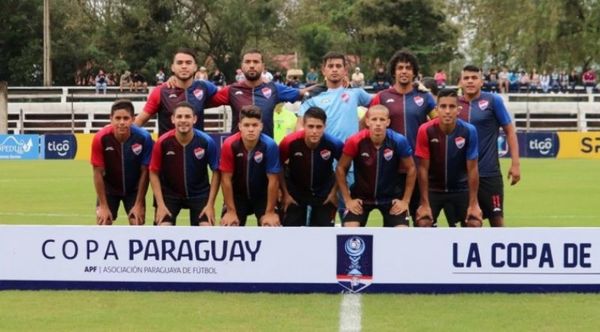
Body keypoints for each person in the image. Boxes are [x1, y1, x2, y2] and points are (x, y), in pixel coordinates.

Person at [370, 49, 436, 223]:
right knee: (395, 223)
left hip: (419, 167)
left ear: (414, 72)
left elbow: (441, 124)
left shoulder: (424, 97)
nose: (404, 71)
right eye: (400, 68)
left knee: (424, 221)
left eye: (408, 67)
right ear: (394, 72)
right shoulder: (382, 97)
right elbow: (366, 125)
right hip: (390, 170)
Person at [458, 65, 520, 227]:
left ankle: (500, 252)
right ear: (460, 82)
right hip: (461, 176)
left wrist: (515, 164)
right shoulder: (454, 104)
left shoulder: (493, 101)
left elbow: (510, 131)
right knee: (469, 222)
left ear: (481, 82)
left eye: (474, 78)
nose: (470, 81)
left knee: (497, 220)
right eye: (466, 78)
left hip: (489, 173)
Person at [336, 105, 416, 227]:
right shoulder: (355, 141)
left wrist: (405, 201)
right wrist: (348, 199)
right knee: (350, 230)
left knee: (402, 232)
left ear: (388, 122)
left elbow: (411, 168)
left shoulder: (399, 140)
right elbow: (341, 168)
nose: (378, 123)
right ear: (367, 121)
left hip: (391, 198)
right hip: (361, 197)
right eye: (374, 119)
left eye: (382, 120)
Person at [414, 89, 482, 227]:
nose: (447, 111)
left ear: (458, 109)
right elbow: (422, 169)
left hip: (461, 189)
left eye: (452, 107)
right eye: (443, 106)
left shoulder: (469, 131)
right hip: (433, 189)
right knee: (423, 222)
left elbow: (473, 169)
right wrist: (424, 203)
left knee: (474, 223)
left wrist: (474, 203)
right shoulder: (425, 130)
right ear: (436, 109)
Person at [210, 49, 310, 138]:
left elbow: (303, 93)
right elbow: (203, 100)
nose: (252, 65)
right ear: (242, 66)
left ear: (263, 66)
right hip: (238, 151)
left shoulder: (274, 88)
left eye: (256, 62)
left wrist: (323, 86)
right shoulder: (231, 90)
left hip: (266, 151)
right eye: (248, 62)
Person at [149, 102, 221, 226]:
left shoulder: (206, 141)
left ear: (194, 119)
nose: (183, 120)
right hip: (169, 195)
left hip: (199, 194)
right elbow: (153, 172)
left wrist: (210, 204)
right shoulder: (162, 142)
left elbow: (216, 171)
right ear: (173, 119)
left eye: (187, 117)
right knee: (163, 229)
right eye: (179, 116)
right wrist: (160, 205)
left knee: (206, 228)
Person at [91, 99, 153, 225]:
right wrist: (103, 205)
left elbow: (145, 172)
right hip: (109, 189)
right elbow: (97, 173)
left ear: (133, 119)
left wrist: (139, 203)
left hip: (134, 190)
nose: (121, 122)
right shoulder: (100, 138)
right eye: (117, 118)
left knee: (137, 221)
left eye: (126, 118)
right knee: (104, 221)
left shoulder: (144, 138)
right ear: (111, 119)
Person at [278, 107, 344, 227]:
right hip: (294, 192)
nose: (314, 131)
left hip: (324, 193)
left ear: (325, 126)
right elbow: (279, 167)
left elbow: (343, 166)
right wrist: (285, 193)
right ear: (304, 125)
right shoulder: (289, 142)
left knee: (323, 233)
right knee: (290, 233)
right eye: (310, 126)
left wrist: (334, 192)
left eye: (318, 127)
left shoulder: (334, 144)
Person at [219, 105, 281, 226]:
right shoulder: (229, 144)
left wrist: (270, 212)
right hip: (237, 196)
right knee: (229, 226)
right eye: (247, 125)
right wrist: (231, 211)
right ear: (240, 126)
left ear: (261, 126)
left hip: (262, 196)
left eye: (255, 125)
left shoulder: (270, 145)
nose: (251, 129)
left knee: (271, 226)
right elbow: (226, 179)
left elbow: (273, 181)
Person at [135, 48, 218, 136]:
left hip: (197, 148)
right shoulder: (161, 91)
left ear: (195, 67)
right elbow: (139, 121)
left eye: (188, 63)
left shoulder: (205, 87)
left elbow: (226, 94)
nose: (184, 66)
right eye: (179, 63)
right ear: (173, 68)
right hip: (168, 149)